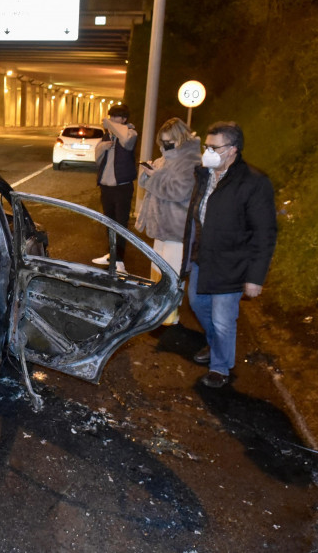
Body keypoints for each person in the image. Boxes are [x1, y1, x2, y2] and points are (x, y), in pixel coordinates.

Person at [182, 121, 277, 388]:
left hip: (233, 263)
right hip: (203, 258)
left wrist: (255, 277)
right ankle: (215, 347)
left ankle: (220, 368)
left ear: (233, 150)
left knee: (223, 320)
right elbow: (196, 219)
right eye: (206, 145)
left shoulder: (254, 182)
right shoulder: (204, 175)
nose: (208, 151)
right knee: (198, 304)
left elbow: (264, 233)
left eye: (214, 147)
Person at [135, 118, 201, 325]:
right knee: (158, 269)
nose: (165, 146)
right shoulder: (165, 158)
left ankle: (170, 315)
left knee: (171, 272)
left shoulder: (191, 160)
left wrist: (156, 176)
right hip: (160, 226)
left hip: (176, 227)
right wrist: (149, 174)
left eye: (169, 141)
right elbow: (153, 184)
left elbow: (178, 191)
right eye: (162, 142)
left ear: (181, 138)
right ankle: (159, 311)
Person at [92, 104, 138, 273]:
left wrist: (110, 125)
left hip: (122, 187)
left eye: (115, 117)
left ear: (124, 119)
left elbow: (127, 142)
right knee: (109, 222)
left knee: (121, 224)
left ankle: (120, 259)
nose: (111, 121)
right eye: (110, 117)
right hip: (106, 187)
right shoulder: (107, 136)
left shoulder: (131, 134)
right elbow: (97, 160)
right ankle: (112, 254)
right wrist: (102, 147)